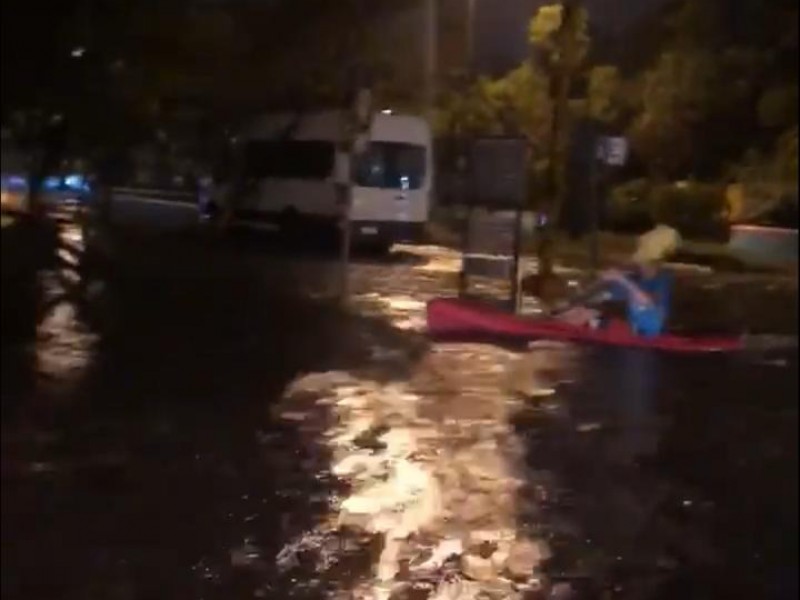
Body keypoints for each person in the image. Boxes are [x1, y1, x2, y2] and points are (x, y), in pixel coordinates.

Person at [557, 225, 682, 337]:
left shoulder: (662, 280)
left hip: (647, 329)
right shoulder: (634, 279)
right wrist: (582, 303)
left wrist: (621, 279)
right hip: (629, 325)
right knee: (583, 312)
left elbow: (648, 304)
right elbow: (605, 296)